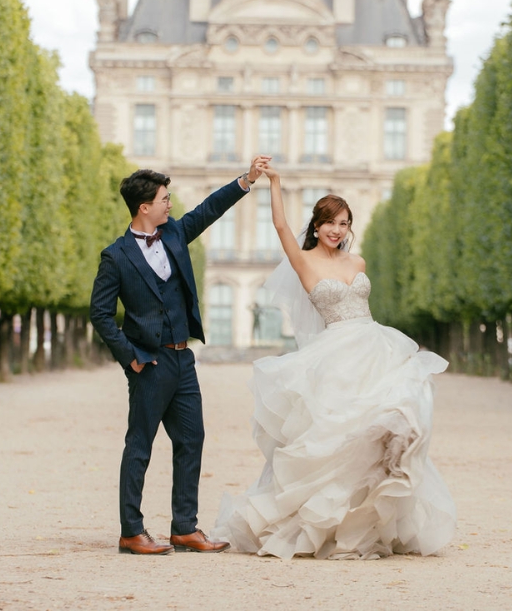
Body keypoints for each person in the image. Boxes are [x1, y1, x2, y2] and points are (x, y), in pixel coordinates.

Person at [214, 165, 457, 559]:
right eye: (330, 222)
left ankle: (379, 506)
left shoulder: (356, 262)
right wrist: (274, 182)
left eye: (344, 223)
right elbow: (279, 225)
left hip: (374, 345)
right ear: (316, 224)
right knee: (336, 439)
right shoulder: (304, 261)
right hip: (337, 354)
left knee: (398, 414)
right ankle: (335, 521)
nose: (337, 230)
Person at [91, 158, 269, 556]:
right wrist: (130, 357)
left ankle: (184, 527)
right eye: (164, 199)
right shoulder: (115, 256)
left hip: (182, 360)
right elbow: (99, 313)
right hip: (148, 363)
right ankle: (131, 531)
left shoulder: (173, 234)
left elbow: (208, 209)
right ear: (144, 207)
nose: (170, 204)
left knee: (192, 440)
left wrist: (246, 179)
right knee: (140, 445)